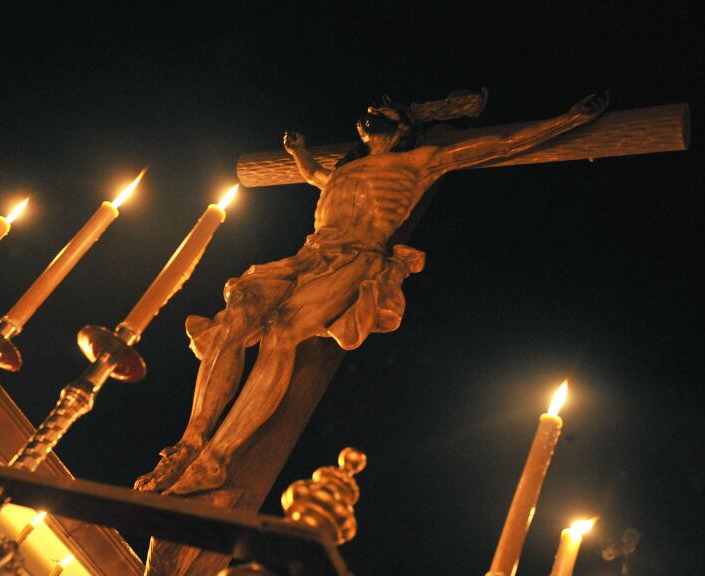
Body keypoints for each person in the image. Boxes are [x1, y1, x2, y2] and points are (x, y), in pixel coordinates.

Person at [135, 91, 608, 494]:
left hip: (355, 259)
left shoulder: (419, 162)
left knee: (283, 331)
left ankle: (217, 459)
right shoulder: (340, 173)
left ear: (403, 128)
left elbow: (501, 146)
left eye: (382, 112)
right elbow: (311, 174)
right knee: (239, 313)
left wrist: (570, 121)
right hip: (306, 255)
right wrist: (299, 152)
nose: (370, 115)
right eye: (368, 112)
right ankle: (190, 440)